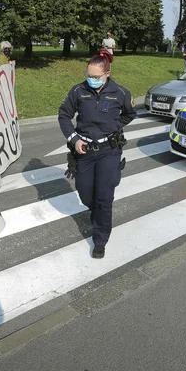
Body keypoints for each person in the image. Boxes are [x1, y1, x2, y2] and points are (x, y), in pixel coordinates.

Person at [58, 51, 136, 259]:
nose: (91, 80)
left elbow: (130, 113)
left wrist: (115, 125)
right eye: (88, 75)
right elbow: (64, 115)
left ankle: (100, 240)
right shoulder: (78, 91)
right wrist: (74, 139)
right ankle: (98, 213)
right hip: (84, 151)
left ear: (107, 74)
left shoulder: (120, 93)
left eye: (96, 77)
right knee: (85, 194)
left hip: (108, 151)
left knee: (103, 197)